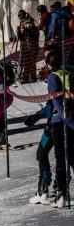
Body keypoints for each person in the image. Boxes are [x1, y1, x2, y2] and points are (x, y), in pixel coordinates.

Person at [44, 49, 74, 207]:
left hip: (60, 121)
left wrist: (67, 120)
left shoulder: (53, 77)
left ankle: (61, 193)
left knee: (61, 158)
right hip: (70, 118)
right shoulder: (69, 72)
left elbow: (56, 102)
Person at [24, 103, 55, 204]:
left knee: (66, 157)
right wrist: (37, 116)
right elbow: (51, 104)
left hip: (59, 126)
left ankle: (59, 189)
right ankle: (43, 188)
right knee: (41, 155)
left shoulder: (57, 87)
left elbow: (54, 104)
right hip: (51, 127)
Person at [17, 9, 40, 82]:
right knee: (28, 61)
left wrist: (27, 27)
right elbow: (21, 37)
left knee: (30, 61)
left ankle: (28, 76)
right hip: (26, 45)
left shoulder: (31, 25)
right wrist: (19, 32)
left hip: (31, 45)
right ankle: (28, 76)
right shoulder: (22, 23)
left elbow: (31, 28)